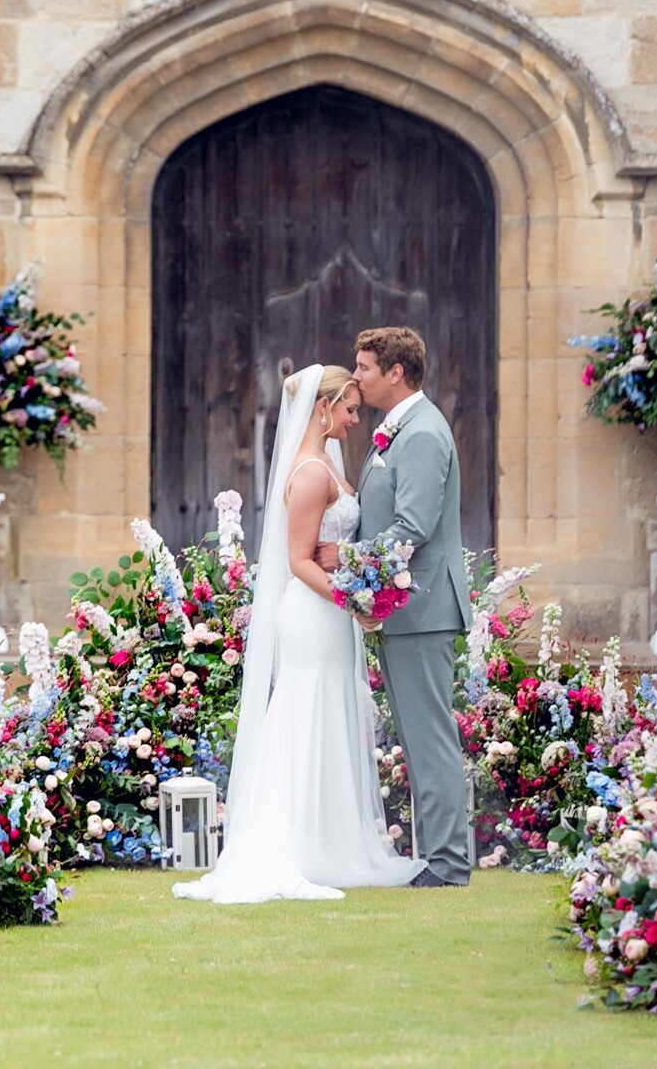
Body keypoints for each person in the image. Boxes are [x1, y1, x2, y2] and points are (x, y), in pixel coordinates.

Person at [173, 363, 419, 903]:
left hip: (330, 610)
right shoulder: (309, 472)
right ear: (322, 407)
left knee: (329, 713)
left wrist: (354, 579)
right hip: (313, 612)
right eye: (350, 408)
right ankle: (290, 848)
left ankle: (327, 844)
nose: (357, 418)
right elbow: (299, 560)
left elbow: (331, 551)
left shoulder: (326, 462)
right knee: (303, 711)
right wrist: (351, 599)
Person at [330, 326, 473, 888]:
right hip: (405, 611)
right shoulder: (401, 428)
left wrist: (347, 560)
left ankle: (447, 864)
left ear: (396, 372)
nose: (357, 376)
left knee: (430, 735)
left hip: (422, 608)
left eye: (365, 367)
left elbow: (413, 526)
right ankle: (438, 857)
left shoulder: (422, 434)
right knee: (417, 737)